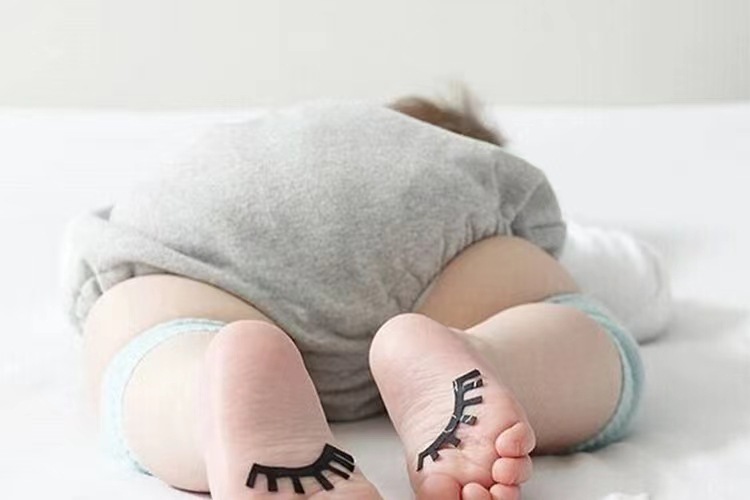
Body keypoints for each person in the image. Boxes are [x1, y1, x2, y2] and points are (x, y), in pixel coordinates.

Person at [60, 89, 670, 500]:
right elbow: (643, 286)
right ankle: (486, 356)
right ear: (467, 146)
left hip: (209, 234)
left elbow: (82, 282)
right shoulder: (461, 173)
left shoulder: (248, 156)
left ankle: (204, 390)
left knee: (143, 346)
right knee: (575, 329)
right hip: (436, 236)